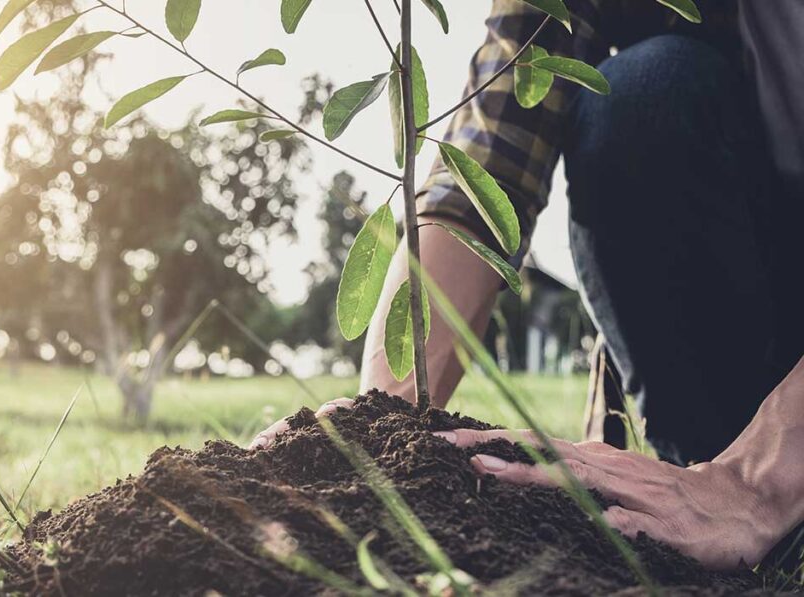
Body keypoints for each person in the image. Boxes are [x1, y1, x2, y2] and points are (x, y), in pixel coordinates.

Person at [251, 0, 804, 570]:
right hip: (748, 299)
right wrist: (388, 428)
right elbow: (491, 158)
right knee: (647, 90)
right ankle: (705, 471)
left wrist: (756, 482)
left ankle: (762, 499)